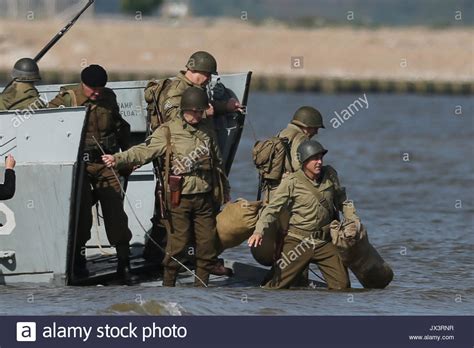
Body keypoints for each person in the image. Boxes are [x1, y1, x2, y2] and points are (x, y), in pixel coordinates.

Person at [102, 87, 230, 287]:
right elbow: (144, 151)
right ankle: (168, 285)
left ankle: (202, 288)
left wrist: (223, 193)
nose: (197, 115)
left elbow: (218, 164)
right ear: (184, 109)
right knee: (178, 244)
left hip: (204, 195)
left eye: (200, 111)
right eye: (193, 111)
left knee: (207, 244)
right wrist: (118, 159)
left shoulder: (207, 129)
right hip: (179, 197)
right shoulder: (168, 131)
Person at [48, 64, 136, 284]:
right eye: (92, 89)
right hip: (81, 168)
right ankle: (79, 262)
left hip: (106, 163)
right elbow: (49, 129)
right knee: (82, 215)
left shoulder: (109, 98)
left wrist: (126, 158)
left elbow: (120, 127)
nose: (96, 93)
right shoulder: (67, 100)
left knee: (116, 211)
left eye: (100, 88)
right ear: (83, 84)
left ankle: (124, 264)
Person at [248, 140, 359, 290]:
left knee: (343, 286)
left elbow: (343, 201)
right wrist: (258, 231)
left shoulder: (330, 174)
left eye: (321, 158)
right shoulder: (292, 181)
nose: (319, 162)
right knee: (275, 287)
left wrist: (352, 220)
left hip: (323, 242)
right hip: (298, 242)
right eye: (314, 158)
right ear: (304, 161)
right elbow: (272, 209)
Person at [145, 50, 242, 130]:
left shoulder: (195, 88)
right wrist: (204, 113)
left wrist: (226, 106)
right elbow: (173, 118)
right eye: (207, 75)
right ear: (195, 70)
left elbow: (206, 105)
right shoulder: (176, 90)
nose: (208, 79)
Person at [266, 106, 325, 202]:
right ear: (307, 125)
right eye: (315, 128)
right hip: (287, 192)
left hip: (272, 189)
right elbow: (298, 166)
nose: (316, 132)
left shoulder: (281, 133)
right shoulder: (301, 138)